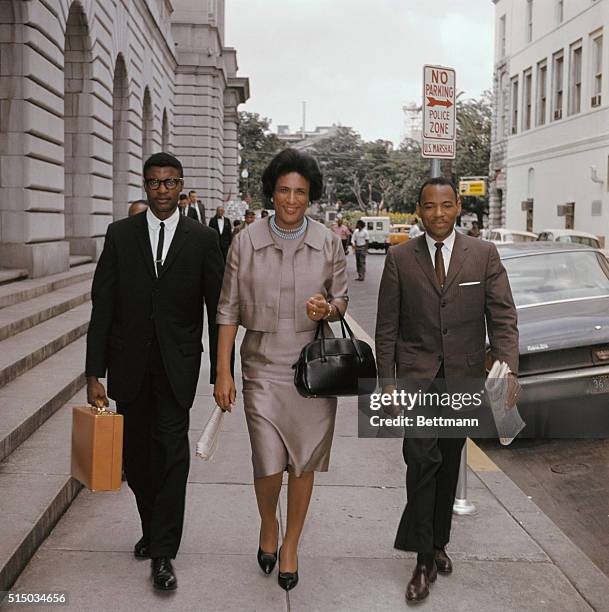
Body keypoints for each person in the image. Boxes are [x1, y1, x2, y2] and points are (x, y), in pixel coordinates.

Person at [375, 177, 519, 603]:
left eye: (445, 205)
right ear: (418, 210)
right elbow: (386, 330)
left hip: (462, 379)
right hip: (417, 380)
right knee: (421, 461)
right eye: (428, 206)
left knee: (449, 462)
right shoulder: (400, 258)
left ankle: (438, 543)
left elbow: (503, 317)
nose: (437, 213)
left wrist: (508, 370)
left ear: (458, 206)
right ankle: (421, 559)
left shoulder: (483, 254)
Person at [85, 152, 224, 592]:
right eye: (154, 183)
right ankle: (152, 524)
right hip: (129, 368)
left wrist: (224, 370)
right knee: (136, 461)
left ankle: (164, 552)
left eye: (169, 183)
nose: (162, 190)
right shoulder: (120, 235)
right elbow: (102, 307)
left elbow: (218, 309)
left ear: (181, 186)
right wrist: (94, 373)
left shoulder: (202, 240)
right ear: (144, 186)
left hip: (177, 367)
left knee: (171, 456)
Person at [214, 148, 348, 592]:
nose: (292, 200)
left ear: (311, 197)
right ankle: (268, 524)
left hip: (313, 372)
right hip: (262, 368)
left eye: (301, 193)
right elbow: (228, 310)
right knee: (268, 463)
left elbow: (341, 300)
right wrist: (222, 371)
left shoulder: (328, 240)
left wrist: (326, 307)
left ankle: (290, 544)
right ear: (272, 191)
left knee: (304, 462)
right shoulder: (245, 241)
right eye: (285, 191)